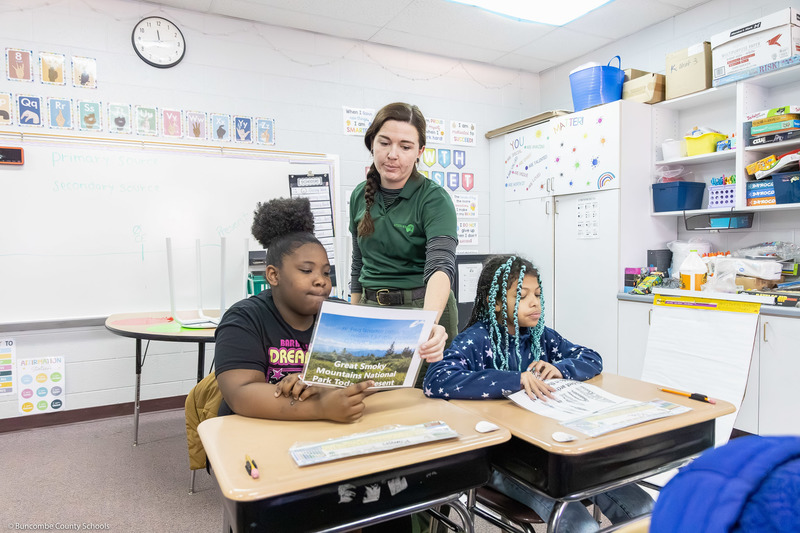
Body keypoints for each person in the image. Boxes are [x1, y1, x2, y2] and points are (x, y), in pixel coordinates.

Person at [423, 255, 654, 532]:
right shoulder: (476, 339)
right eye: (523, 296)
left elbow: (591, 358)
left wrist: (560, 368)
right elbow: (436, 379)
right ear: (496, 303)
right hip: (500, 462)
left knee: (645, 508)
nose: (535, 303)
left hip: (552, 454)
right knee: (580, 524)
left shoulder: (541, 336)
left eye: (538, 295)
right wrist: (515, 380)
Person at [214, 197, 376, 421]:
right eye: (307, 270)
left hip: (322, 434)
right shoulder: (244, 319)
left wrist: (322, 387)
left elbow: (368, 376)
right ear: (274, 275)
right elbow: (241, 393)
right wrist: (321, 407)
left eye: (326, 272)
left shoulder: (341, 316)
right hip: (255, 434)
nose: (321, 280)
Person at [349, 102, 457, 383]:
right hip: (372, 310)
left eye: (405, 146)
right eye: (384, 142)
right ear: (372, 143)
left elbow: (441, 266)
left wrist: (427, 325)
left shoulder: (434, 199)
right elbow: (359, 263)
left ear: (420, 152)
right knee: (369, 401)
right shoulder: (359, 196)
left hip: (424, 310)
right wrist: (353, 316)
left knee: (426, 401)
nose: (392, 154)